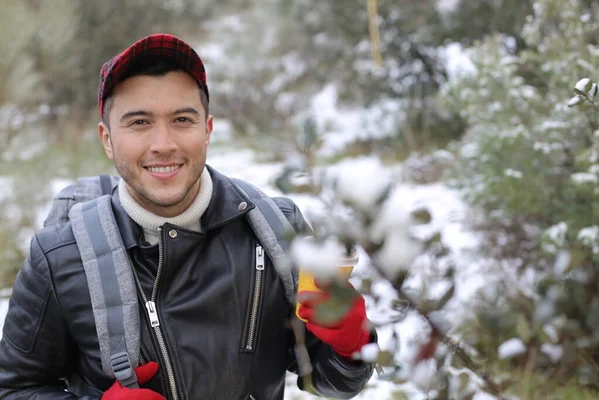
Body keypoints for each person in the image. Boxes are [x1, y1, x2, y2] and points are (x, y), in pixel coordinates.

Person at [0, 34, 375, 399]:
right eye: (139, 122)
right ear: (107, 139)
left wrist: (352, 347)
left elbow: (328, 381)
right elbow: (15, 387)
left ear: (207, 130)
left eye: (182, 119)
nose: (164, 144)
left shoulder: (278, 230)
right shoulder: (59, 257)